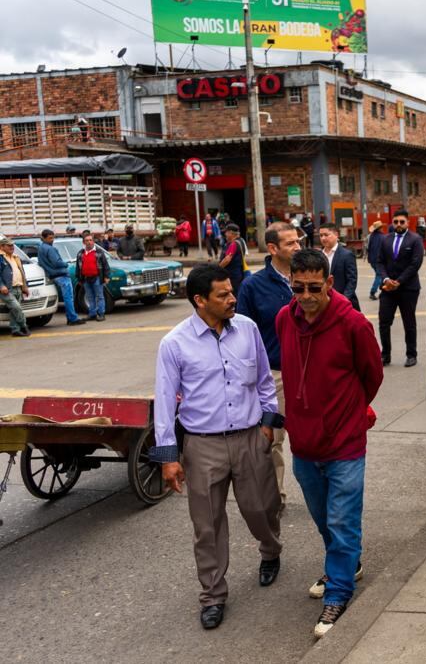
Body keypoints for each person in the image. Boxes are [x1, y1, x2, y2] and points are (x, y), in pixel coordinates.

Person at [152, 265, 283, 630]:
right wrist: (168, 458)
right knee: (207, 526)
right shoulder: (174, 344)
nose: (232, 299)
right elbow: (164, 403)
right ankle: (213, 595)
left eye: (231, 292)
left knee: (262, 508)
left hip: (248, 438)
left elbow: (263, 379)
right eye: (223, 295)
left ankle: (271, 550)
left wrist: (269, 425)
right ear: (200, 300)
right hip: (202, 446)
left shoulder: (248, 329)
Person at [275, 249, 383, 638]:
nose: (305, 296)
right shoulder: (284, 319)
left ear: (330, 284)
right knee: (323, 517)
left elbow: (372, 376)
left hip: (344, 441)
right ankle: (346, 560)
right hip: (304, 443)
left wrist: (349, 413)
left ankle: (338, 591)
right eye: (298, 287)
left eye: (314, 288)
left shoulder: (353, 324)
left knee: (341, 518)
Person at [236, 221, 304, 512]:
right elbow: (240, 333)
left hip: (311, 373)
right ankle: (275, 498)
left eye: (298, 241)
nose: (298, 247)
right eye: (290, 243)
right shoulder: (253, 285)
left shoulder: (309, 277)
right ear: (273, 248)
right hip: (275, 376)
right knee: (271, 440)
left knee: (317, 438)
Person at [375, 209, 424, 367]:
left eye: (402, 222)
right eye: (395, 222)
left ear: (408, 223)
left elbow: (415, 264)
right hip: (387, 288)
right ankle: (386, 355)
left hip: (408, 288)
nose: (398, 224)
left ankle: (411, 354)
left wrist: (399, 281)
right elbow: (380, 262)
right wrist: (387, 279)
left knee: (409, 322)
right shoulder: (385, 239)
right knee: (384, 322)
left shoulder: (415, 239)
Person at [38, 229, 83, 326]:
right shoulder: (50, 249)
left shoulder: (41, 248)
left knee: (68, 297)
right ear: (44, 238)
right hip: (61, 275)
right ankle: (72, 318)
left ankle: (71, 317)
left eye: (53, 237)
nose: (52, 240)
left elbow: (41, 263)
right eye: (50, 238)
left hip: (53, 275)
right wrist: (66, 264)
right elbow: (57, 262)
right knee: (69, 298)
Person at [319, 222, 360, 311]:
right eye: (321, 235)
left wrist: (343, 300)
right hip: (322, 304)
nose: (323, 238)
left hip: (343, 303)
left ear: (336, 235)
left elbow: (352, 280)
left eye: (326, 235)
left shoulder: (346, 255)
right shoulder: (318, 255)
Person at [75, 231, 110, 322]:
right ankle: (92, 314)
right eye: (87, 240)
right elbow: (78, 267)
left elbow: (105, 265)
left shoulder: (99, 252)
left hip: (97, 277)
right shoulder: (80, 253)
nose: (89, 242)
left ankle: (101, 314)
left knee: (100, 296)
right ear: (84, 242)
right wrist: (78, 278)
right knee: (90, 297)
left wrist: (106, 276)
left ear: (93, 241)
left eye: (90, 240)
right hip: (86, 278)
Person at [0, 237, 30, 337]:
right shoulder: (0, 257)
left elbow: (22, 272)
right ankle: (24, 325)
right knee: (16, 308)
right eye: (9, 245)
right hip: (7, 289)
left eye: (12, 245)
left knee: (14, 310)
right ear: (2, 247)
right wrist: (1, 286)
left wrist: (25, 286)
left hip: (18, 287)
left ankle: (15, 330)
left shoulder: (15, 257)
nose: (12, 247)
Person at [218, 223, 247, 293]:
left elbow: (227, 259)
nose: (225, 234)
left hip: (233, 275)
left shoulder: (233, 244)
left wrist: (218, 268)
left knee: (233, 295)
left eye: (226, 232)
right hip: (238, 273)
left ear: (231, 233)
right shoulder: (241, 241)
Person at [366, 221, 385, 300]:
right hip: (379, 259)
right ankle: (373, 292)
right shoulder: (383, 237)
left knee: (380, 275)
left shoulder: (370, 236)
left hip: (372, 259)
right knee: (379, 275)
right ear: (380, 228)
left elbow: (368, 248)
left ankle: (383, 290)